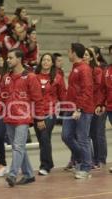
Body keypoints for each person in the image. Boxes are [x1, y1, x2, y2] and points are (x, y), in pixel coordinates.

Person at [0, 48, 45, 187]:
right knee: (18, 146)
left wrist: (39, 118)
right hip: (9, 117)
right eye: (7, 58)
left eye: (10, 58)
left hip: (23, 117)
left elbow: (38, 99)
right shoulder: (6, 77)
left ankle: (13, 174)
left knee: (18, 146)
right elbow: (1, 97)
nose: (7, 60)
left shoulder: (30, 77)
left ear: (19, 59)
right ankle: (28, 174)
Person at [61, 43, 94, 179]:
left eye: (69, 51)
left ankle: (86, 167)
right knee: (66, 136)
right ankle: (83, 158)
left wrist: (79, 108)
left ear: (74, 53)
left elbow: (86, 90)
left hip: (83, 109)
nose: (67, 53)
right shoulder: (75, 68)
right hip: (71, 108)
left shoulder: (84, 69)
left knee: (82, 138)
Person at [34, 53, 66, 175]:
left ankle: (45, 166)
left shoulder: (58, 77)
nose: (46, 62)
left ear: (52, 63)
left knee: (44, 136)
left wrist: (66, 110)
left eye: (48, 60)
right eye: (44, 60)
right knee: (42, 140)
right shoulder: (34, 76)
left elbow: (63, 95)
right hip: (36, 111)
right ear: (41, 62)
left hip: (50, 112)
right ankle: (49, 162)